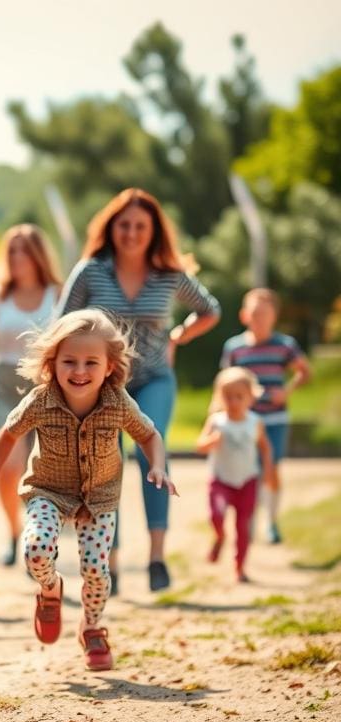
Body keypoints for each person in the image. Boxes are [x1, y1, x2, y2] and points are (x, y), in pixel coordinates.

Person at [0, 309, 176, 671]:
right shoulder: (41, 400)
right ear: (53, 363)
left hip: (99, 497)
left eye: (90, 362)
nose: (79, 371)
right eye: (69, 361)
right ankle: (50, 590)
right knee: (36, 549)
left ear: (109, 366)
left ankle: (92, 627)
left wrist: (157, 465)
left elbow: (148, 435)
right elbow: (8, 433)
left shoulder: (118, 403)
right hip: (47, 491)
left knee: (97, 571)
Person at [57, 188, 219, 594]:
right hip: (103, 386)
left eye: (140, 226)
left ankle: (157, 557)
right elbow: (61, 323)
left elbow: (210, 309)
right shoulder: (91, 271)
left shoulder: (169, 274)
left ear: (154, 232)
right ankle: (109, 560)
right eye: (124, 225)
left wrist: (178, 336)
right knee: (106, 464)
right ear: (112, 228)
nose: (131, 233)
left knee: (153, 448)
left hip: (155, 378)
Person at [0, 225, 62, 566]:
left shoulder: (58, 292)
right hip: (5, 389)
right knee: (9, 468)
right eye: (11, 251)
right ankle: (15, 530)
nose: (17, 258)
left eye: (24, 250)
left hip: (47, 389)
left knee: (40, 471)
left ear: (38, 255)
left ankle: (37, 535)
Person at [220, 288, 311, 544]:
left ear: (274, 317)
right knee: (250, 471)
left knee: (271, 469)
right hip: (245, 421)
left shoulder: (285, 345)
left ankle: (271, 522)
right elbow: (224, 383)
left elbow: (304, 372)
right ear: (244, 315)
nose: (259, 319)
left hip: (275, 419)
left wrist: (288, 390)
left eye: (265, 314)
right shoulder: (234, 348)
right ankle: (248, 522)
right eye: (255, 314)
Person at [196, 367, 275, 583]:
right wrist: (211, 442)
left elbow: (265, 448)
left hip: (247, 481)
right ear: (220, 397)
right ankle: (220, 536)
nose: (233, 402)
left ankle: (240, 567)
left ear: (251, 397)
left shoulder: (255, 422)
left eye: (239, 397)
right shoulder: (216, 421)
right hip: (221, 480)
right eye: (227, 397)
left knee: (243, 526)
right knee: (216, 515)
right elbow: (200, 446)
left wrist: (268, 471)